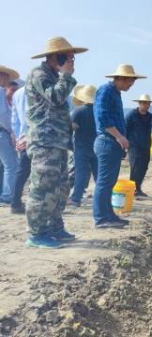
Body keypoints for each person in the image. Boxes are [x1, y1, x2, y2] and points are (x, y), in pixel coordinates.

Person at [25, 37, 87, 248]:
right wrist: (67, 76)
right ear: (54, 56)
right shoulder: (39, 74)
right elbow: (55, 98)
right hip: (44, 142)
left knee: (60, 188)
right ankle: (36, 233)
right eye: (67, 57)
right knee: (43, 188)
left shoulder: (54, 76)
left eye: (72, 57)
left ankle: (54, 227)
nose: (71, 61)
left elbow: (55, 110)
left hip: (58, 142)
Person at [93, 64, 146, 228]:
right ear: (122, 78)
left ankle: (109, 215)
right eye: (131, 81)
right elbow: (103, 117)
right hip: (107, 141)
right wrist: (119, 136)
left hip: (113, 143)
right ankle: (101, 218)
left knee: (110, 182)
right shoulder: (106, 90)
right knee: (104, 182)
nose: (132, 84)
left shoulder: (116, 93)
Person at [67, 85, 98, 207]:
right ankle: (103, 199)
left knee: (80, 174)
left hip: (81, 147)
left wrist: (69, 144)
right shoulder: (98, 111)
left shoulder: (78, 111)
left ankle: (76, 199)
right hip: (96, 147)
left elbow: (70, 127)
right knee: (98, 175)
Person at [126, 94, 152, 197]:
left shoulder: (150, 116)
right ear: (139, 103)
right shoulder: (131, 115)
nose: (147, 105)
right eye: (145, 103)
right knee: (135, 168)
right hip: (134, 146)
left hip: (146, 146)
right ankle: (132, 190)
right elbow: (125, 129)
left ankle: (138, 188)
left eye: (148, 103)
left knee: (144, 167)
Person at [10, 83, 31, 214]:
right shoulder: (40, 90)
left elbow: (15, 119)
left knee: (22, 171)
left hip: (23, 137)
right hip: (38, 137)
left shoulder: (17, 94)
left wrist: (19, 138)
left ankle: (15, 202)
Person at [0, 66, 19, 206]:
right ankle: (7, 196)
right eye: (6, 77)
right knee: (12, 165)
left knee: (5, 165)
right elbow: (3, 114)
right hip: (2, 132)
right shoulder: (0, 91)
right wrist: (11, 131)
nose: (8, 80)